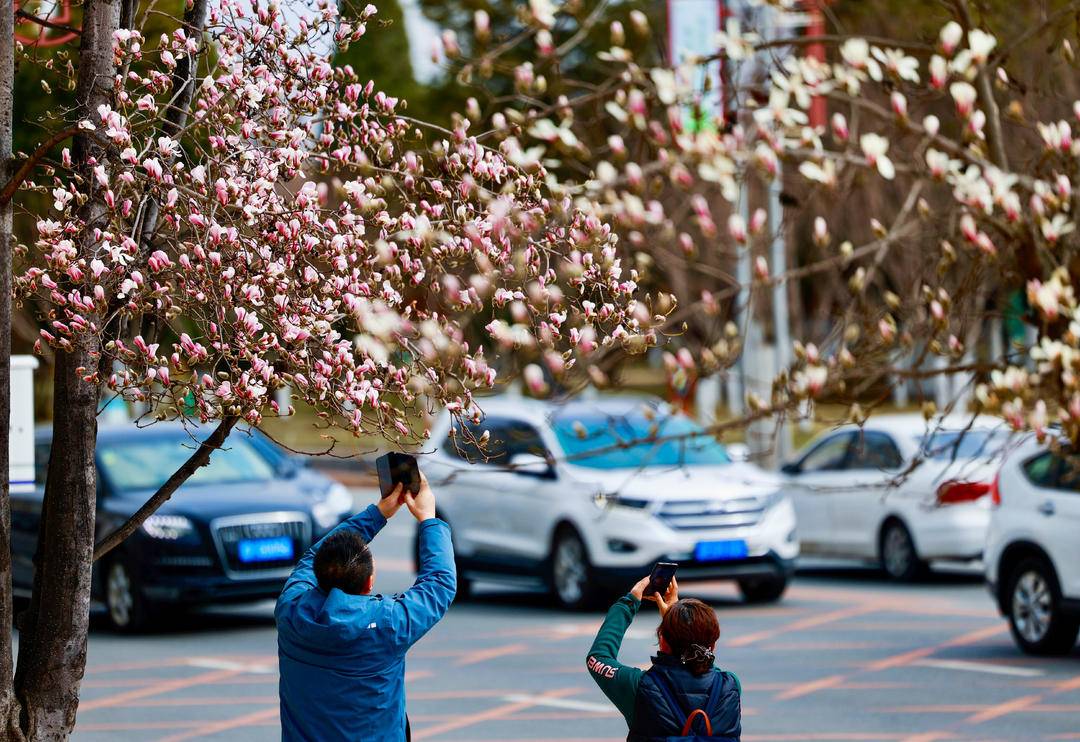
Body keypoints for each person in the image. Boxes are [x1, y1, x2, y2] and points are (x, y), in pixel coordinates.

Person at [276, 472, 455, 742]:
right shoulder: (387, 624)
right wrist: (428, 517)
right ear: (369, 583)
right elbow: (439, 583)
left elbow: (313, 556)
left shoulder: (291, 609)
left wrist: (378, 514)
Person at [586, 576, 741, 741]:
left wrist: (628, 603)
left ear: (662, 641)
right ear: (713, 646)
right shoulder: (730, 685)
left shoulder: (639, 686)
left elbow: (597, 657)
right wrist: (675, 619)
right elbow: (705, 661)